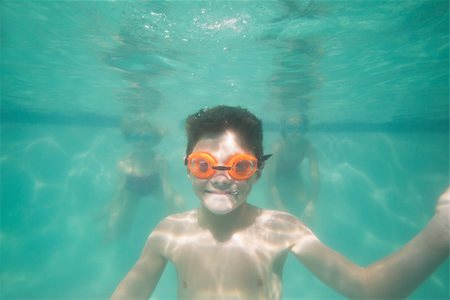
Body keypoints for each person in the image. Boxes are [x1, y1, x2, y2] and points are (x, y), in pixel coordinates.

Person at [111, 105, 449, 299]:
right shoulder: (168, 233)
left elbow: (369, 288)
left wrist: (442, 230)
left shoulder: (282, 229)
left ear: (258, 172)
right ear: (188, 169)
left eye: (240, 166)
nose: (220, 176)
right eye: (203, 164)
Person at [106, 118, 184, 240]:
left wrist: (170, 215)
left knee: (179, 201)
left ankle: (180, 230)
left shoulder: (159, 161)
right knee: (124, 220)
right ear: (129, 139)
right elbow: (119, 191)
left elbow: (166, 186)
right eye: (136, 137)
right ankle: (116, 230)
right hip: (133, 189)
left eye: (146, 137)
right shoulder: (125, 163)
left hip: (154, 186)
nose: (141, 142)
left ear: (154, 141)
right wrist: (113, 220)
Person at [267, 114, 320, 222]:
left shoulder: (308, 147)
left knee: (302, 200)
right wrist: (279, 206)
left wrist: (312, 203)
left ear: (304, 129)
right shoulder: (278, 147)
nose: (295, 132)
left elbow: (315, 175)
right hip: (275, 174)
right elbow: (270, 180)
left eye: (299, 128)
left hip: (293, 173)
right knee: (272, 205)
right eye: (291, 128)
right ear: (284, 130)